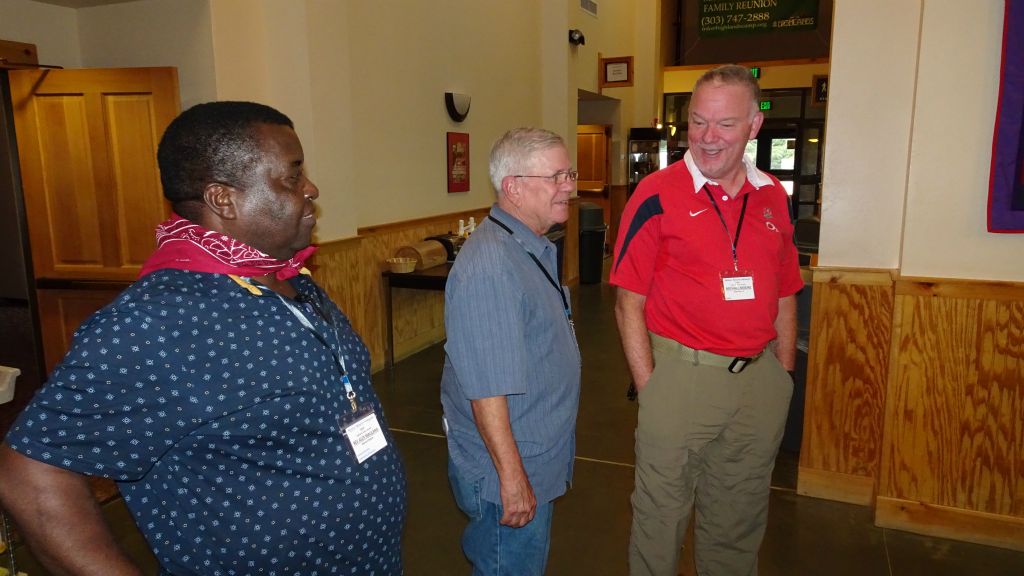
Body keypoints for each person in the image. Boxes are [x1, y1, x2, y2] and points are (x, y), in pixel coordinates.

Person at [0, 101, 406, 575]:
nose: (311, 188)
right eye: (292, 176)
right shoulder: (156, 322)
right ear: (223, 199)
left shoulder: (283, 278)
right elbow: (29, 470)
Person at [611, 65, 802, 575]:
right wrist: (650, 387)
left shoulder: (773, 199)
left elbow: (786, 290)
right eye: (697, 123)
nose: (708, 138)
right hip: (681, 381)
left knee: (739, 522)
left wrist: (781, 375)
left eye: (724, 125)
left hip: (758, 384)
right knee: (660, 523)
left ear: (754, 127)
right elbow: (627, 300)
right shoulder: (655, 194)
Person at [440, 127, 581, 576]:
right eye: (557, 176)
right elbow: (486, 392)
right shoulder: (491, 267)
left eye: (569, 173)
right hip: (510, 466)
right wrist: (512, 478)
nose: (570, 187)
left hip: (534, 453)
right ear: (513, 187)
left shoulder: (529, 245)